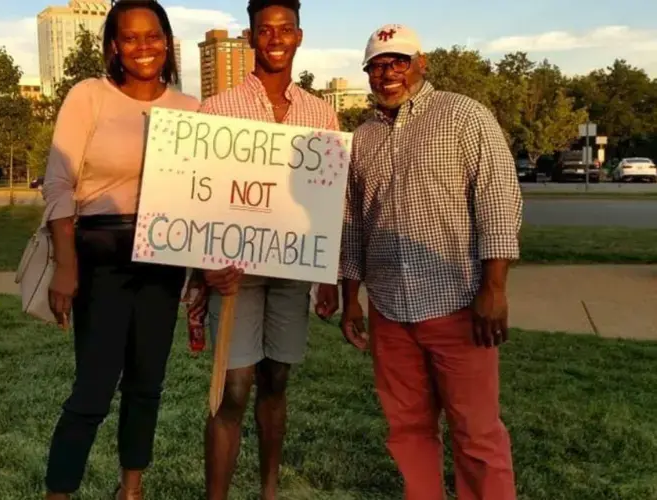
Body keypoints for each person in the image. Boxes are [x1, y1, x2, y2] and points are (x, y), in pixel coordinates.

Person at [339, 24, 521, 500]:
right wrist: (349, 298)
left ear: (422, 63)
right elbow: (353, 223)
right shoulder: (362, 138)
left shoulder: (464, 116)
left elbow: (498, 201)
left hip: (457, 304)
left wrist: (494, 287)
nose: (388, 74)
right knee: (408, 431)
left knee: (476, 433)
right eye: (377, 66)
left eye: (398, 61)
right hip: (390, 310)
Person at [41, 2, 200, 498]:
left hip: (164, 259)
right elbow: (59, 182)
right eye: (130, 38)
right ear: (113, 46)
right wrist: (66, 266)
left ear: (167, 41)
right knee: (92, 391)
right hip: (100, 256)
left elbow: (202, 194)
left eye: (152, 36)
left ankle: (131, 489)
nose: (143, 47)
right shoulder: (88, 97)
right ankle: (59, 492)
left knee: (146, 386)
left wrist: (202, 270)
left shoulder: (191, 110)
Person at [184, 1, 340, 498]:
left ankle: (269, 489)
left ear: (299, 36)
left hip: (293, 269)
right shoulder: (218, 109)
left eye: (285, 29)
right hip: (234, 271)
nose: (275, 38)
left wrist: (329, 274)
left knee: (276, 380)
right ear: (251, 38)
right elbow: (193, 194)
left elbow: (331, 200)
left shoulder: (321, 113)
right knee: (232, 389)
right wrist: (205, 266)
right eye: (265, 30)